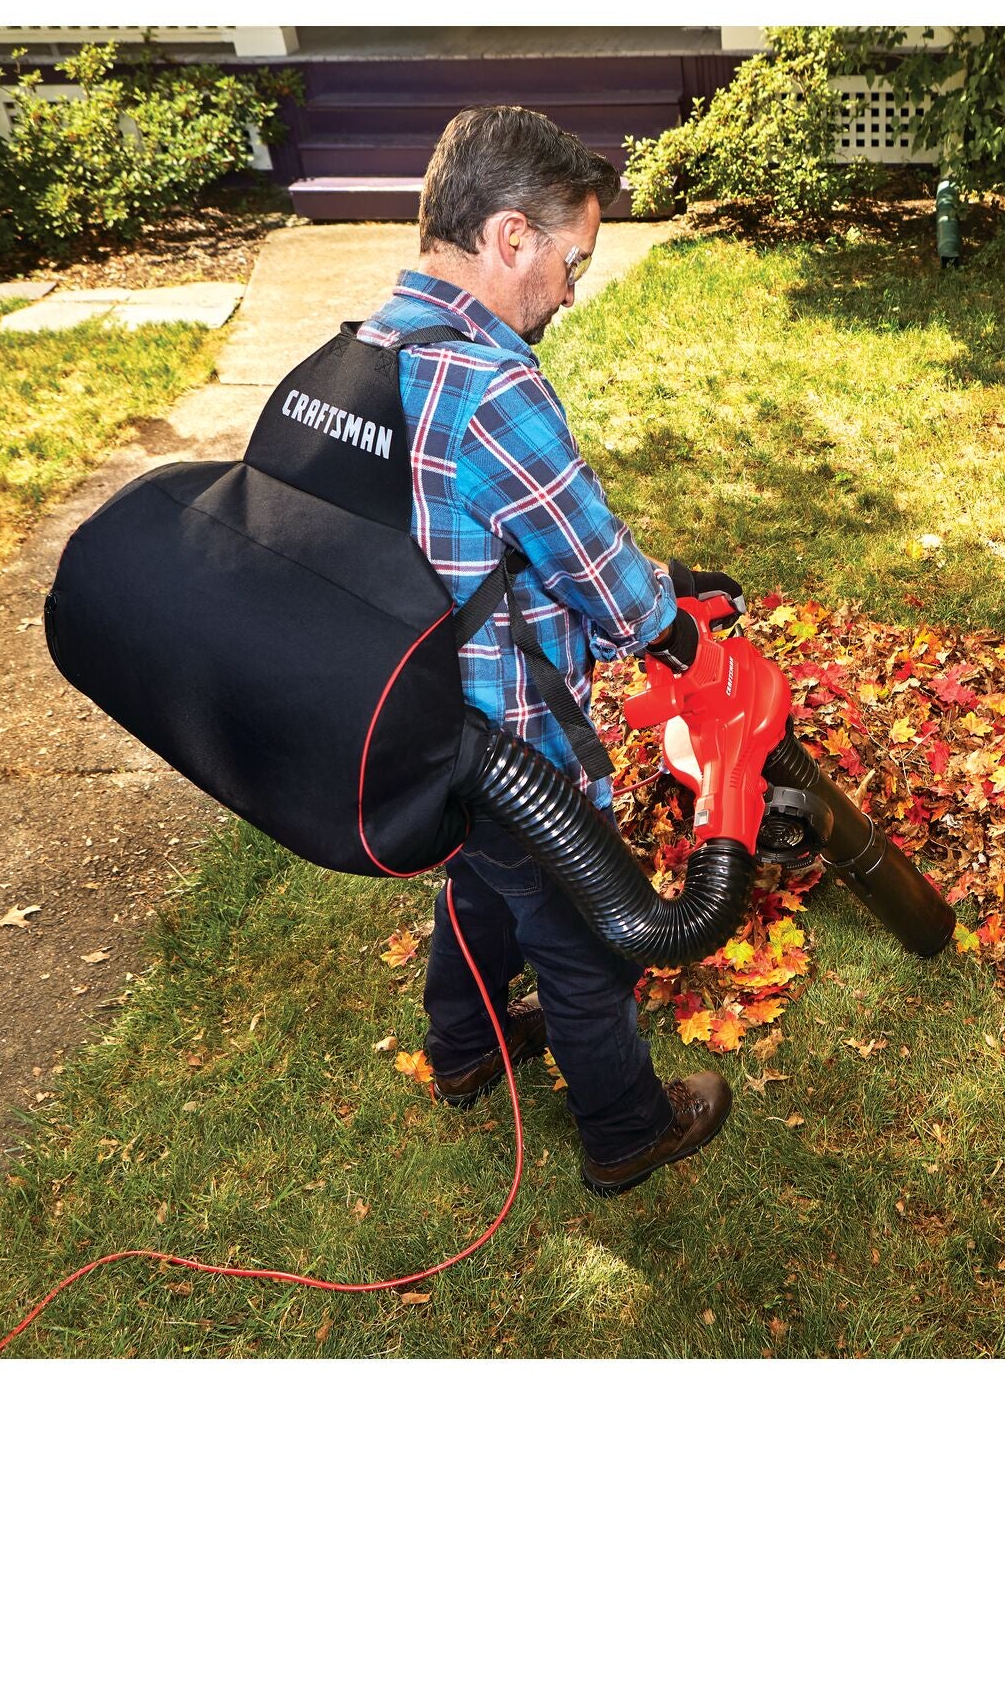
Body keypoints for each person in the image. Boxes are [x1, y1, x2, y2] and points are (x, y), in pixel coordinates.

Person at [360, 105, 741, 1197]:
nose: (571, 293)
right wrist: (678, 617)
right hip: (516, 735)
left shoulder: (377, 339)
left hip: (427, 721)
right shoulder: (495, 387)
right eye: (571, 261)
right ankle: (627, 1129)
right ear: (511, 238)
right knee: (587, 938)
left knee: (484, 883)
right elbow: (615, 597)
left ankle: (467, 1044)